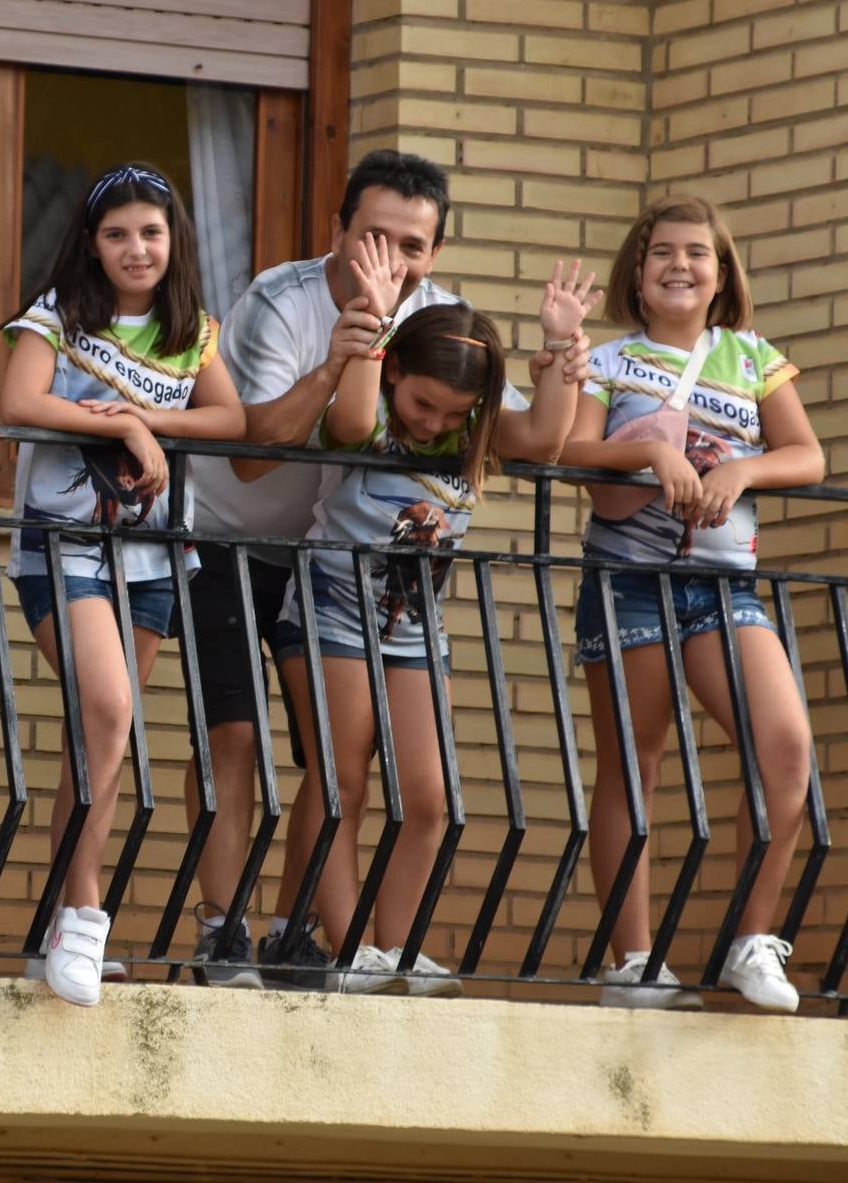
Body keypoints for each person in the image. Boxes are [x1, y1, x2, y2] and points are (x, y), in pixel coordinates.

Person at [180, 150, 590, 990]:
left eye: (411, 245)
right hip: (238, 548)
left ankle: (315, 940)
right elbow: (260, 454)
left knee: (372, 779)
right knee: (242, 743)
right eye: (372, 236)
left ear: (433, 252)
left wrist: (560, 358)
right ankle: (228, 931)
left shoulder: (444, 330)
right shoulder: (281, 301)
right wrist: (356, 340)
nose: (392, 260)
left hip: (393, 605)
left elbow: (532, 438)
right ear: (337, 230)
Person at [273, 269, 596, 998]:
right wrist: (372, 322)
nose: (431, 425)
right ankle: (348, 946)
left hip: (414, 626)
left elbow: (545, 439)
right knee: (342, 782)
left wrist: (559, 347)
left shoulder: (474, 429)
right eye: (422, 404)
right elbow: (353, 422)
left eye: (452, 414)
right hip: (328, 609)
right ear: (393, 373)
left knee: (430, 796)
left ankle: (397, 947)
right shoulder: (372, 414)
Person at [560, 195, 822, 1013]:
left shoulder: (750, 358)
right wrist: (644, 453)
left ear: (720, 275)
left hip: (723, 586)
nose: (679, 264)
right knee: (634, 763)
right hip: (626, 578)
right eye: (660, 252)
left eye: (696, 254)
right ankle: (631, 964)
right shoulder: (607, 360)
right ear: (635, 277)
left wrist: (740, 471)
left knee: (783, 745)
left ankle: (750, 944)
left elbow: (806, 456)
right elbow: (571, 453)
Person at [0, 162, 245, 1007]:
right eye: (116, 234)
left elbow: (229, 421)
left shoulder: (192, 331)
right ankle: (87, 915)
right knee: (106, 711)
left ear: (173, 240)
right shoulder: (59, 315)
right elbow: (18, 396)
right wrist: (126, 429)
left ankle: (60, 921)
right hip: (61, 547)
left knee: (95, 739)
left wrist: (148, 424)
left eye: (150, 231)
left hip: (149, 561)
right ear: (91, 244)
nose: (135, 248)